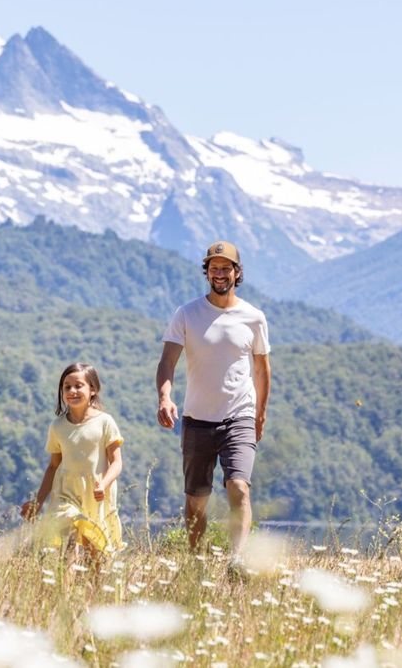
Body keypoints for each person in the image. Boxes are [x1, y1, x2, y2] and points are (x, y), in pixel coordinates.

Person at [155, 241, 271, 578]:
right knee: (196, 500)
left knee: (239, 486)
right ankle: (196, 564)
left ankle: (237, 560)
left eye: (226, 268)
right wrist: (165, 397)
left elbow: (263, 370)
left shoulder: (253, 317)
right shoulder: (187, 314)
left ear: (237, 273)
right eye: (214, 268)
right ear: (206, 271)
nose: (220, 274)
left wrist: (259, 414)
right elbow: (167, 361)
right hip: (196, 420)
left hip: (240, 416)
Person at [20, 363, 124, 557]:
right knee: (68, 541)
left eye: (78, 386)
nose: (72, 391)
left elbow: (117, 462)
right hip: (65, 493)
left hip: (95, 495)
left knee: (96, 553)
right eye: (67, 387)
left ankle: (94, 587)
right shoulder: (57, 426)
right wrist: (38, 502)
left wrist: (104, 484)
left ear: (93, 389)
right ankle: (64, 587)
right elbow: (53, 466)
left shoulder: (105, 422)